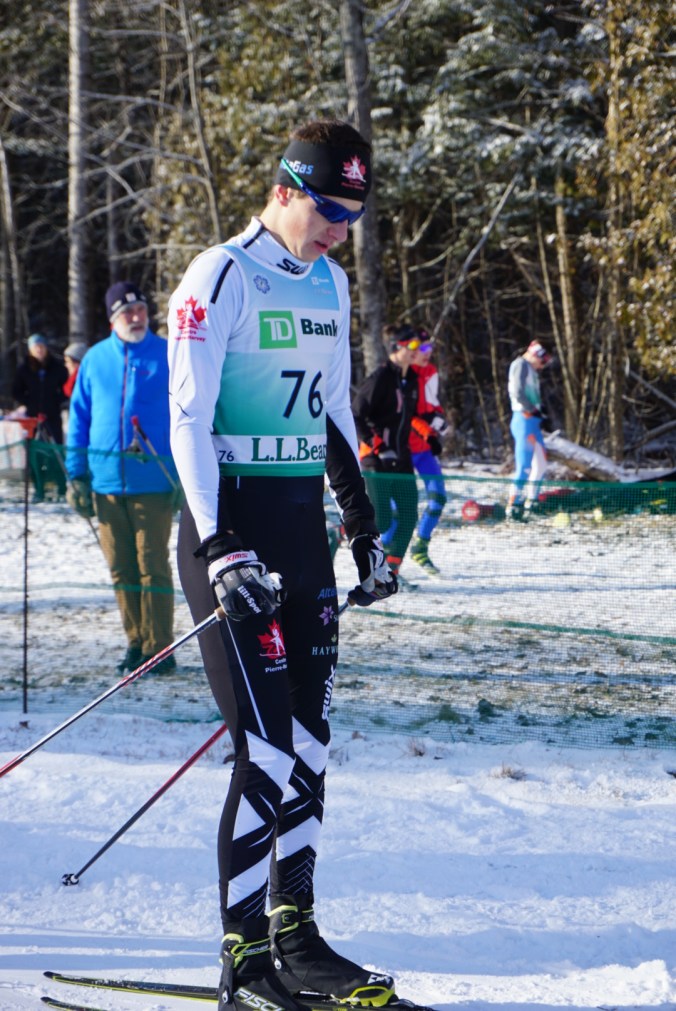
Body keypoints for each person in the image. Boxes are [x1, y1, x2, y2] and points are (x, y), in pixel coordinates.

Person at [167, 120, 398, 1011]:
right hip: (235, 534)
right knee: (262, 753)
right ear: (286, 188)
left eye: (354, 212)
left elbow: (334, 410)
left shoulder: (331, 284)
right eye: (331, 208)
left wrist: (362, 525)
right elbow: (187, 418)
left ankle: (295, 933)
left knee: (309, 748)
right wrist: (221, 543)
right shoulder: (219, 273)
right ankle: (244, 963)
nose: (341, 227)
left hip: (303, 532)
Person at [66, 282, 179, 674]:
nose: (136, 317)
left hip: (155, 480)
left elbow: (190, 409)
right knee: (122, 569)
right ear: (113, 318)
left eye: (140, 310)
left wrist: (186, 470)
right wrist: (75, 474)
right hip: (106, 483)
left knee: (153, 565)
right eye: (127, 312)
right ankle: (136, 643)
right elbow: (78, 417)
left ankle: (160, 648)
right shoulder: (95, 360)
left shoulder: (168, 354)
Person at [352, 325, 420, 578]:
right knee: (380, 521)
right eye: (411, 346)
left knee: (409, 515)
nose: (416, 351)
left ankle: (391, 568)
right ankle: (340, 532)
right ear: (396, 348)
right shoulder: (381, 377)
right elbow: (357, 413)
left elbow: (407, 417)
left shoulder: (411, 379)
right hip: (377, 460)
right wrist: (375, 443)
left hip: (402, 458)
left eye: (419, 347)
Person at [407, 329, 450, 574]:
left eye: (430, 348)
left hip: (424, 450)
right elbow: (408, 414)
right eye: (422, 349)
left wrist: (438, 419)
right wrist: (426, 429)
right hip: (402, 448)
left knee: (438, 497)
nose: (427, 353)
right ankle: (389, 566)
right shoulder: (403, 374)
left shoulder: (431, 372)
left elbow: (430, 405)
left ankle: (420, 547)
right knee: (398, 511)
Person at [12, 333, 69, 501]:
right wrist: (30, 404)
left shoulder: (56, 367)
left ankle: (61, 488)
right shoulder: (24, 368)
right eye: (35, 347)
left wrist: (57, 401)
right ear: (30, 350)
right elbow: (16, 391)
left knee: (56, 451)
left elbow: (65, 389)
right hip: (33, 418)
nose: (39, 350)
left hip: (52, 415)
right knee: (35, 455)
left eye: (41, 347)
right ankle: (39, 490)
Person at [506, 339, 552, 519]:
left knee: (540, 463)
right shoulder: (520, 364)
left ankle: (532, 501)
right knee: (524, 465)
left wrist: (540, 412)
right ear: (535, 355)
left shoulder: (532, 369)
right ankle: (514, 504)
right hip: (523, 418)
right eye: (542, 362)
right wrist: (531, 409)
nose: (542, 366)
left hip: (533, 421)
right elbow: (517, 391)